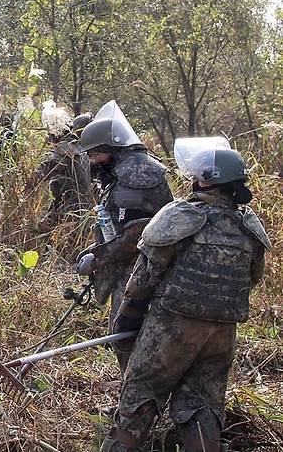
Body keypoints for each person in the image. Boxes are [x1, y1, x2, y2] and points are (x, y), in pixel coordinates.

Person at [101, 138, 270, 452]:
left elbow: (144, 277)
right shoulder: (249, 225)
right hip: (222, 331)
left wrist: (127, 320)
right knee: (202, 405)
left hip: (172, 326)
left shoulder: (181, 214)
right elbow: (253, 278)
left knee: (140, 394)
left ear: (205, 179)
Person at [75, 100, 172, 373]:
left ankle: (134, 403)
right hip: (136, 266)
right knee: (126, 335)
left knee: (127, 336)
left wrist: (98, 256)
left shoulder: (135, 173)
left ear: (109, 149)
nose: (93, 161)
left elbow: (135, 237)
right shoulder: (123, 170)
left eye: (95, 154)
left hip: (142, 269)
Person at [27, 106, 93, 226]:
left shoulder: (65, 150)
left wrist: (26, 179)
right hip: (82, 210)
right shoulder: (81, 147)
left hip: (70, 214)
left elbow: (39, 175)